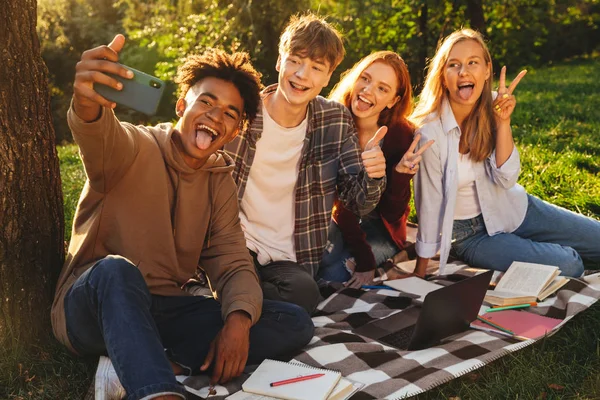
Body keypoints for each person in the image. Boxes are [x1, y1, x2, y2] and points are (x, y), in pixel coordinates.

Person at [51, 34, 314, 400]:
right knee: (117, 270)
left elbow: (233, 262)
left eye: (229, 113)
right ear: (180, 105)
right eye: (206, 102)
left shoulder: (219, 179)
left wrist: (238, 321)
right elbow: (98, 135)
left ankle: (136, 360)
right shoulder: (134, 146)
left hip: (165, 310)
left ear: (236, 130)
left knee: (293, 320)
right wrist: (87, 103)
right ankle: (159, 390)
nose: (214, 116)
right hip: (94, 303)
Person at [224, 13, 387, 314]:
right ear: (279, 61)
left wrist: (374, 175)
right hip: (236, 246)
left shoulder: (335, 119)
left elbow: (358, 201)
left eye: (316, 68)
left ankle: (238, 306)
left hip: (291, 259)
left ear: (328, 78)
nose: (302, 74)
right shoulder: (242, 112)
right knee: (242, 290)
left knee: (304, 298)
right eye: (295, 60)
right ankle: (237, 301)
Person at [411, 28, 600, 278]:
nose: (463, 72)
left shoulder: (493, 105)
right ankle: (550, 252)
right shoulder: (429, 132)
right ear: (442, 75)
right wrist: (419, 272)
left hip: (515, 208)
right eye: (453, 65)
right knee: (569, 264)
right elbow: (429, 204)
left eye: (472, 63)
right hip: (470, 236)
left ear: (487, 69)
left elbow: (507, 178)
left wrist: (503, 123)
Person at [318, 51, 433, 287]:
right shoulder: (335, 122)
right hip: (341, 221)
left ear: (392, 100)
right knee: (320, 260)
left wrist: (400, 175)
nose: (368, 90)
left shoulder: (400, 136)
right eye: (365, 79)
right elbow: (341, 206)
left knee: (335, 276)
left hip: (381, 230)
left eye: (382, 88)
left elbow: (392, 214)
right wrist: (364, 258)